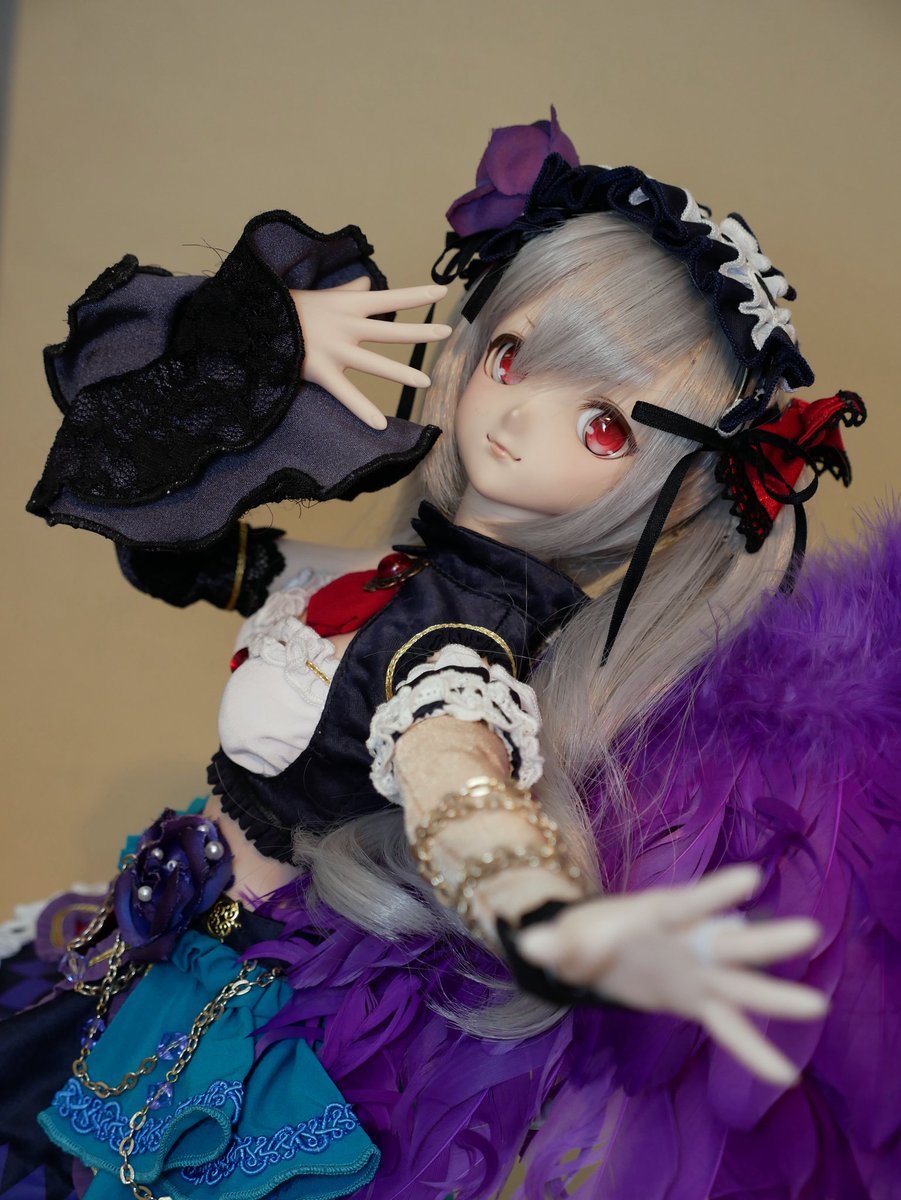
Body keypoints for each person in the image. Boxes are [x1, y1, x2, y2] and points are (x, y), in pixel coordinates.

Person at [4, 112, 895, 1199]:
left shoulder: (455, 649)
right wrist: (249, 350)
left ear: (674, 499)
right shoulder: (379, 579)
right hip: (147, 942)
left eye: (604, 425)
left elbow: (455, 781)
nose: (515, 419)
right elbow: (167, 551)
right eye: (511, 357)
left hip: (229, 1012)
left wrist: (549, 924)